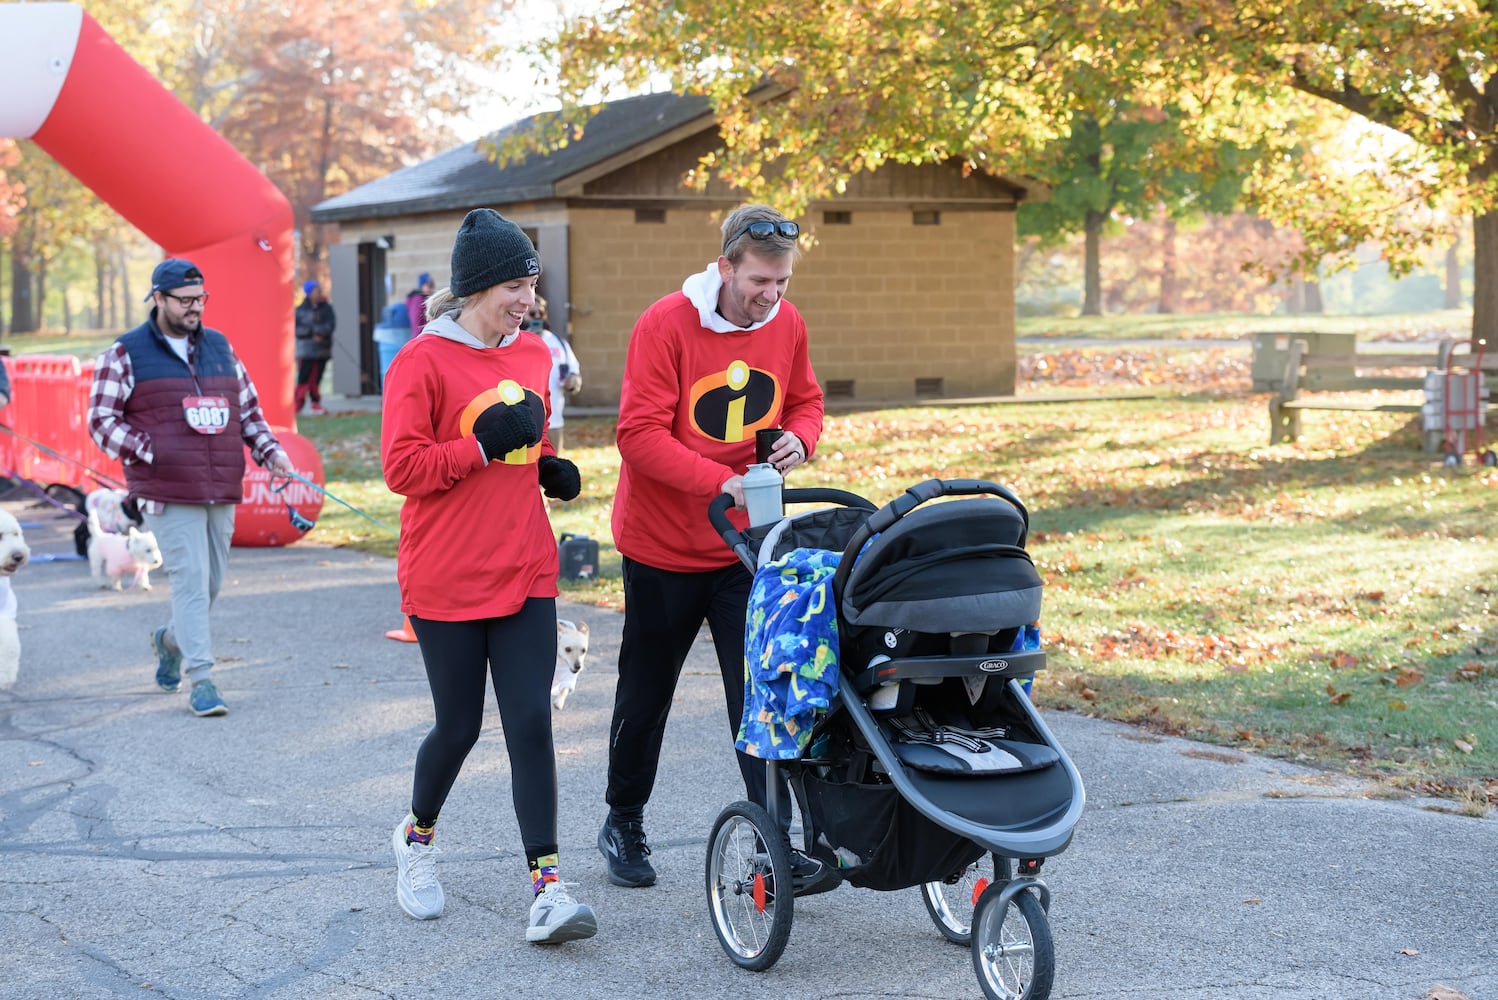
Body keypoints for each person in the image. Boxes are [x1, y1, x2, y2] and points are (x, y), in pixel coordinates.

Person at [600, 203, 830, 892]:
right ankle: (624, 820)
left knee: (759, 699)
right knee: (646, 696)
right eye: (760, 280)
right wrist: (720, 483)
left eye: (783, 282)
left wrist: (801, 438)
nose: (772, 295)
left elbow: (806, 400)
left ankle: (773, 841)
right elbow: (638, 435)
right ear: (726, 266)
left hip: (746, 551)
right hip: (663, 547)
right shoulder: (665, 324)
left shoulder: (786, 322)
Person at [380, 208, 595, 944]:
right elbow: (402, 469)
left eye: (531, 285)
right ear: (474, 289)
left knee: (532, 723)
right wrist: (477, 448)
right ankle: (416, 839)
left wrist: (547, 469)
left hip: (526, 564)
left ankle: (548, 888)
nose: (527, 301)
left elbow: (522, 447)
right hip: (445, 575)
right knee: (461, 727)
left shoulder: (534, 354)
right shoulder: (422, 362)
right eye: (513, 285)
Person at [86, 258, 296, 717]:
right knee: (190, 583)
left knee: (212, 583)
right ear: (158, 299)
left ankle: (169, 640)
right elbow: (100, 421)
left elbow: (249, 413)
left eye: (200, 299)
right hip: (165, 489)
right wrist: (150, 449)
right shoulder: (125, 354)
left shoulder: (221, 348)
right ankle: (202, 679)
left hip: (220, 485)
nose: (195, 308)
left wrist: (272, 453)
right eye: (184, 300)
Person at [524, 295, 582, 452]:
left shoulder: (559, 343)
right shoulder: (515, 341)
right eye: (532, 313)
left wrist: (572, 381)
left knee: (554, 470)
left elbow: (574, 373)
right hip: (525, 422)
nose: (537, 317)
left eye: (540, 313)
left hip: (554, 422)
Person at [293, 279, 335, 414]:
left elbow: (330, 326)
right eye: (317, 291)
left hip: (322, 350)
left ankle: (315, 403)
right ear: (309, 293)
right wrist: (312, 332)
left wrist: (320, 333)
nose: (319, 293)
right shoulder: (299, 310)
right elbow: (296, 329)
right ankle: (297, 404)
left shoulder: (327, 308)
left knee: (317, 379)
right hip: (305, 351)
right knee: (303, 378)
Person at [405, 272, 434, 336]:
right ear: (422, 286)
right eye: (429, 286)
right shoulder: (418, 300)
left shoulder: (425, 298)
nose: (431, 289)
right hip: (420, 336)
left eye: (432, 286)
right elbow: (416, 320)